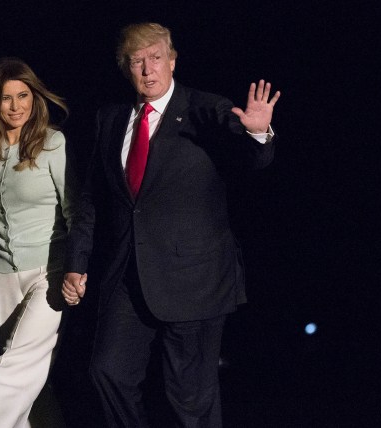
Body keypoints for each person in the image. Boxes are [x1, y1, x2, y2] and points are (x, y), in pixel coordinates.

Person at [63, 23, 281, 427]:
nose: (148, 69)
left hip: (194, 276)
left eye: (156, 57)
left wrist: (257, 135)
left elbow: (251, 161)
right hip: (128, 276)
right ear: (126, 69)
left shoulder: (205, 108)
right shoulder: (110, 120)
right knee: (107, 372)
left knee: (189, 398)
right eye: (137, 62)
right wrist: (77, 261)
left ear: (173, 60)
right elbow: (91, 199)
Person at [0, 57, 77, 428]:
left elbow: (75, 210)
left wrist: (76, 268)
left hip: (48, 273)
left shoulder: (52, 143)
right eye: (7, 98)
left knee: (9, 374)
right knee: (31, 387)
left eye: (23, 95)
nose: (16, 106)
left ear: (34, 96)